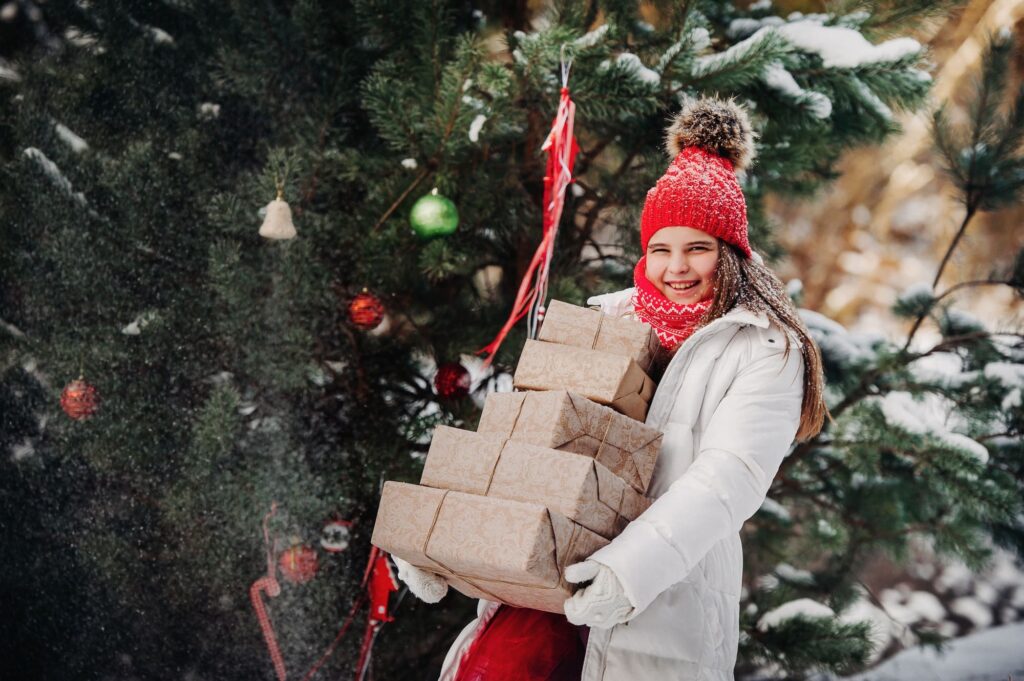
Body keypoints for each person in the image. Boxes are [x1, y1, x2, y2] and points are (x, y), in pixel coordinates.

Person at [393, 96, 828, 681]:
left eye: (698, 247)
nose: (676, 267)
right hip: (543, 585)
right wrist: (440, 541)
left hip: (657, 597)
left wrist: (630, 570)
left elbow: (729, 478)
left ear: (730, 254)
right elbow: (526, 441)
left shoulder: (764, 348)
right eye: (660, 249)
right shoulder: (609, 318)